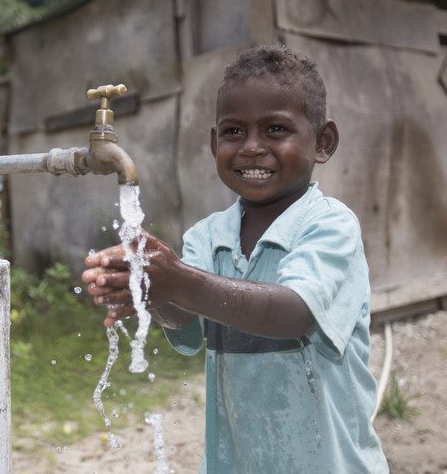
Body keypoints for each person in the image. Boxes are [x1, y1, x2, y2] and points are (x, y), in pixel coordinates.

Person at [82, 45, 389, 473]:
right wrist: (151, 292)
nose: (251, 148)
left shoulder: (330, 225)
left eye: (276, 129)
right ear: (213, 142)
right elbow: (189, 328)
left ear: (323, 142)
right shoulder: (208, 236)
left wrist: (179, 281)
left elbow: (293, 312)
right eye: (233, 132)